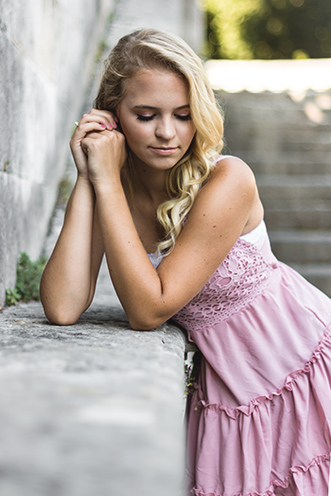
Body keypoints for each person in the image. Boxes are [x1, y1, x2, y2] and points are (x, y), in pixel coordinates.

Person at [40, 28, 331, 495]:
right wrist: (90, 176)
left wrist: (108, 187)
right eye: (145, 115)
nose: (166, 133)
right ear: (111, 117)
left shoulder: (228, 180)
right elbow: (62, 305)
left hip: (301, 371)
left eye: (182, 114)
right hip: (230, 397)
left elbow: (150, 309)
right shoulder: (116, 189)